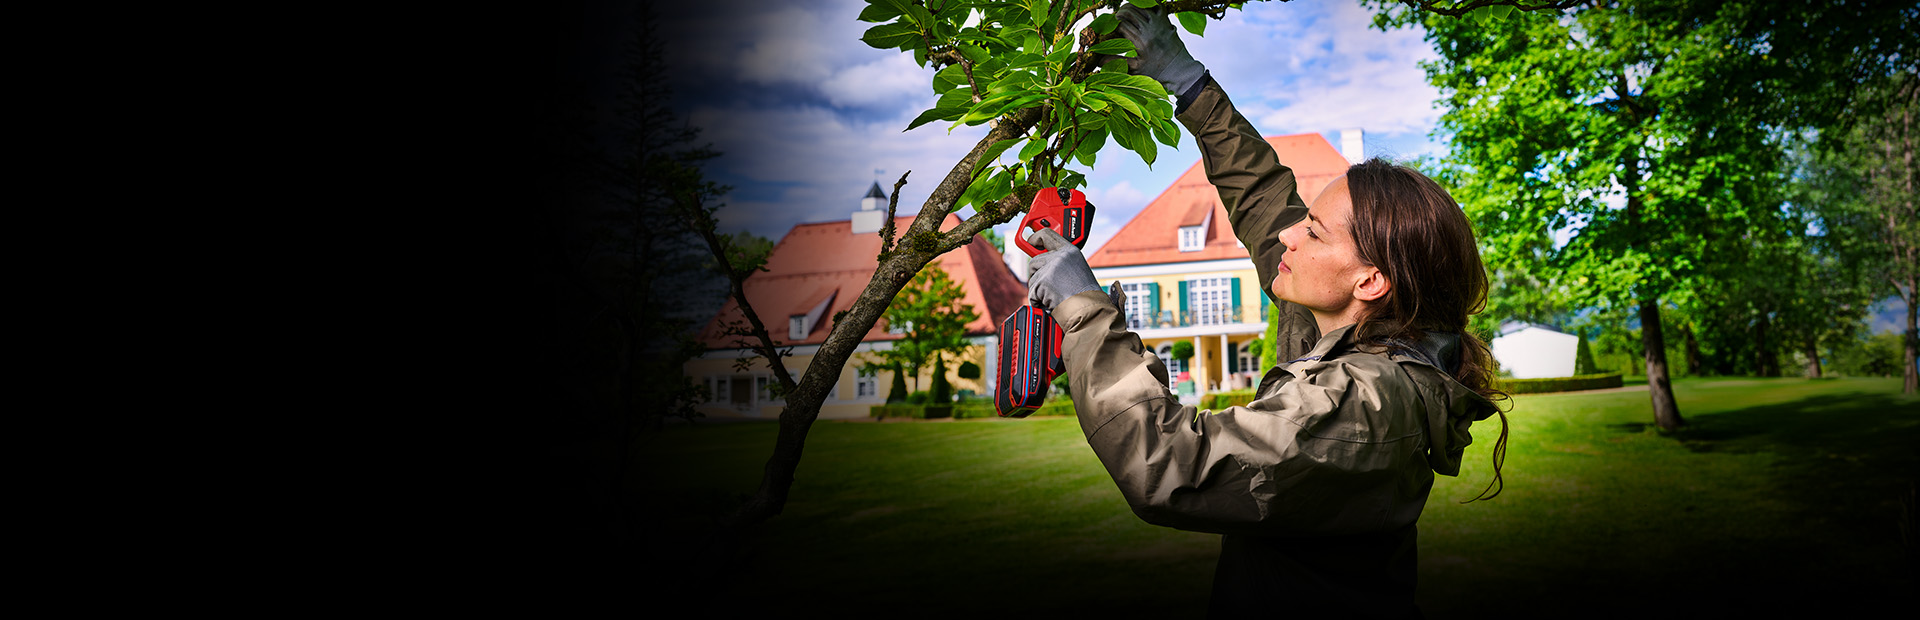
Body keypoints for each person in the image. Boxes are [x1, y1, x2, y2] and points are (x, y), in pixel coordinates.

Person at [1021, 6, 1509, 618]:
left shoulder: (1364, 404)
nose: (1290, 238)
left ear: (1371, 279)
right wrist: (1189, 84)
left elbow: (1172, 465)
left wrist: (1085, 312)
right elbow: (1264, 199)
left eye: (1315, 232)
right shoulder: (1351, 335)